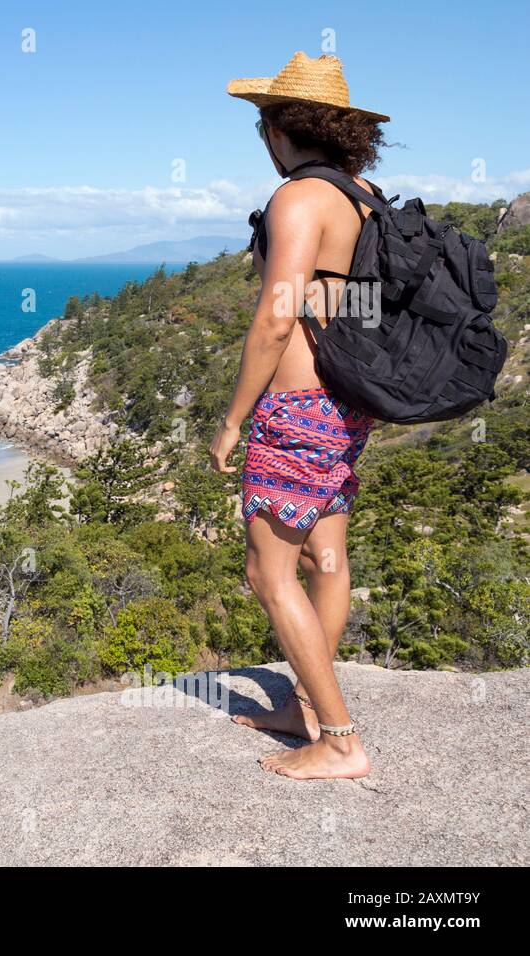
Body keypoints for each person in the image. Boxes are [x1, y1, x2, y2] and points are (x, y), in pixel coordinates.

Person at [209, 52, 391, 780]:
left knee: (268, 571)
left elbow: (277, 318)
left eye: (264, 125)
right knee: (327, 556)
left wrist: (232, 418)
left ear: (280, 128)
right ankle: (306, 710)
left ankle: (340, 740)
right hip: (347, 403)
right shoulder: (364, 195)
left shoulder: (297, 199)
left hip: (295, 407)